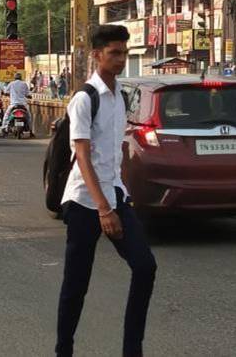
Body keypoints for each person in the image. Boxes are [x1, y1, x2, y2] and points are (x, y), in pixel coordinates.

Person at [56, 25, 156, 357]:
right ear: (96, 55)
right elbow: (82, 156)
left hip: (114, 195)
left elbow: (114, 153)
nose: (120, 59)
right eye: (114, 53)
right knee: (76, 285)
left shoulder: (121, 96)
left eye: (124, 53)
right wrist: (103, 209)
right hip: (85, 201)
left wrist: (119, 198)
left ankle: (133, 350)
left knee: (145, 267)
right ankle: (64, 350)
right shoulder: (85, 98)